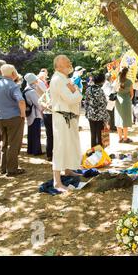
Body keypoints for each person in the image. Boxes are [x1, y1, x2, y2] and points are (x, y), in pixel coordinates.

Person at [49, 55, 83, 192]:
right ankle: (57, 182)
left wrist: (75, 90)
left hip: (67, 117)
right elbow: (71, 99)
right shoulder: (58, 79)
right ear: (58, 67)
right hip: (62, 118)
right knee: (61, 146)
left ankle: (68, 170)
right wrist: (78, 91)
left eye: (69, 61)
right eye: (66, 62)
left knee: (69, 143)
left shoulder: (64, 78)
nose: (70, 63)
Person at [0, 64, 26, 176]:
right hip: (14, 117)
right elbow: (21, 101)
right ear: (13, 73)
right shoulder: (13, 86)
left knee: (5, 143)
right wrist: (23, 114)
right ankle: (12, 169)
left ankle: (3, 167)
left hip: (0, 117)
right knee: (14, 144)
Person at [85, 73, 110, 147]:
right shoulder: (100, 90)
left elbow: (86, 102)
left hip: (91, 114)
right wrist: (106, 119)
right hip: (100, 115)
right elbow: (104, 104)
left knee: (93, 134)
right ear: (102, 81)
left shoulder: (88, 89)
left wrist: (88, 112)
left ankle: (92, 151)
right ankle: (99, 153)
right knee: (99, 135)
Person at [23, 73, 44, 156]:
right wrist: (42, 111)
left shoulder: (26, 89)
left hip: (30, 115)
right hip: (35, 115)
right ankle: (36, 151)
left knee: (31, 132)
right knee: (36, 133)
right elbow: (38, 103)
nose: (37, 81)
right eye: (35, 80)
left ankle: (30, 149)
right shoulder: (31, 91)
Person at [114, 67, 134, 143]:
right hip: (126, 101)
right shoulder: (129, 82)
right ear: (127, 73)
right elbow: (132, 94)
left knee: (118, 119)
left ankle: (120, 138)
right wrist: (128, 99)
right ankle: (125, 138)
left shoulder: (117, 81)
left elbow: (114, 90)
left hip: (118, 101)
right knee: (125, 120)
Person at [38, 88, 53, 161]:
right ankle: (51, 154)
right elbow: (40, 101)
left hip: (47, 114)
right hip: (53, 114)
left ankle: (49, 154)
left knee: (49, 135)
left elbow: (40, 101)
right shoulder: (52, 90)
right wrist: (46, 106)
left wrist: (45, 105)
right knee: (53, 135)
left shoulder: (48, 90)